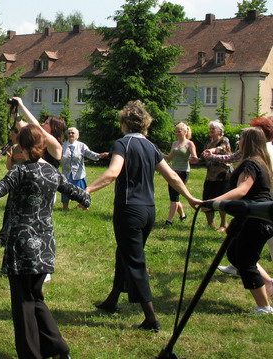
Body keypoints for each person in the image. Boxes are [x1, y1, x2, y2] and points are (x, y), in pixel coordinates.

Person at [0, 124, 91, 359]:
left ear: (21, 148)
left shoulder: (19, 171)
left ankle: (31, 354)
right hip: (46, 246)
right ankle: (59, 350)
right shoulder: (52, 173)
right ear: (43, 146)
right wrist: (85, 197)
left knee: (24, 302)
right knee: (35, 297)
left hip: (22, 246)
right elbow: (82, 196)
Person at [86, 100, 200, 332]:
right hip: (148, 211)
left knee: (135, 261)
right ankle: (113, 299)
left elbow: (112, 173)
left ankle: (151, 318)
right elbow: (173, 177)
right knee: (125, 253)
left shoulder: (122, 144)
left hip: (129, 210)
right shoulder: (151, 146)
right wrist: (189, 198)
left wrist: (85, 190)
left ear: (125, 123)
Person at [202, 127, 273, 314]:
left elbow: (242, 190)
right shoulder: (259, 161)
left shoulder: (251, 164)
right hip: (249, 218)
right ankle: (268, 284)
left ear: (247, 141)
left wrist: (215, 202)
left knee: (245, 261)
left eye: (241, 138)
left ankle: (264, 307)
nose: (238, 141)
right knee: (234, 254)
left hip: (256, 219)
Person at [0, 125, 25, 246]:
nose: (11, 137)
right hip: (14, 182)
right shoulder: (14, 148)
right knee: (9, 210)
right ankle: (3, 238)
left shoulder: (30, 148)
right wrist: (9, 158)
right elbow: (9, 168)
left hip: (27, 184)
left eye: (12, 135)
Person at [60, 127, 108, 210]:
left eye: (73, 133)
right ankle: (65, 207)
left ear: (77, 136)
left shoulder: (81, 146)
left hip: (79, 174)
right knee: (65, 190)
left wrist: (99, 155)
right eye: (69, 133)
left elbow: (90, 154)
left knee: (82, 191)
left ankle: (83, 205)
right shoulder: (62, 145)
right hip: (66, 174)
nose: (70, 134)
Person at [162, 122, 198, 225]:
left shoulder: (189, 144)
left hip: (183, 172)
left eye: (179, 131)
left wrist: (193, 159)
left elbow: (194, 157)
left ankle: (169, 221)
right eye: (176, 131)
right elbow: (170, 157)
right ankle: (183, 215)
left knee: (175, 196)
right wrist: (159, 154)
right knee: (174, 196)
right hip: (173, 172)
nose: (177, 133)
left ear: (185, 132)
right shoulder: (174, 143)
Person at [201, 120, 233, 231]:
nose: (211, 130)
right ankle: (211, 224)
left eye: (213, 129)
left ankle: (224, 224)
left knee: (221, 199)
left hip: (222, 175)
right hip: (210, 175)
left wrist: (212, 150)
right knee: (207, 198)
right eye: (210, 129)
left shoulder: (224, 140)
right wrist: (197, 160)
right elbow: (204, 157)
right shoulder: (208, 141)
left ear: (219, 131)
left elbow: (221, 149)